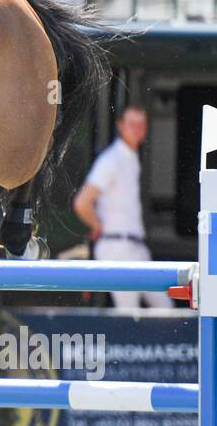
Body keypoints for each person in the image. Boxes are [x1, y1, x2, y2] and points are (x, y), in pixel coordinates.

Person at [72, 107, 171, 308]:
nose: (137, 129)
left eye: (141, 124)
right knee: (129, 314)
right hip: (117, 246)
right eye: (132, 124)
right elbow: (82, 202)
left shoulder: (131, 157)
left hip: (136, 246)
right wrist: (97, 225)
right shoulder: (111, 159)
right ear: (120, 126)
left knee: (165, 309)